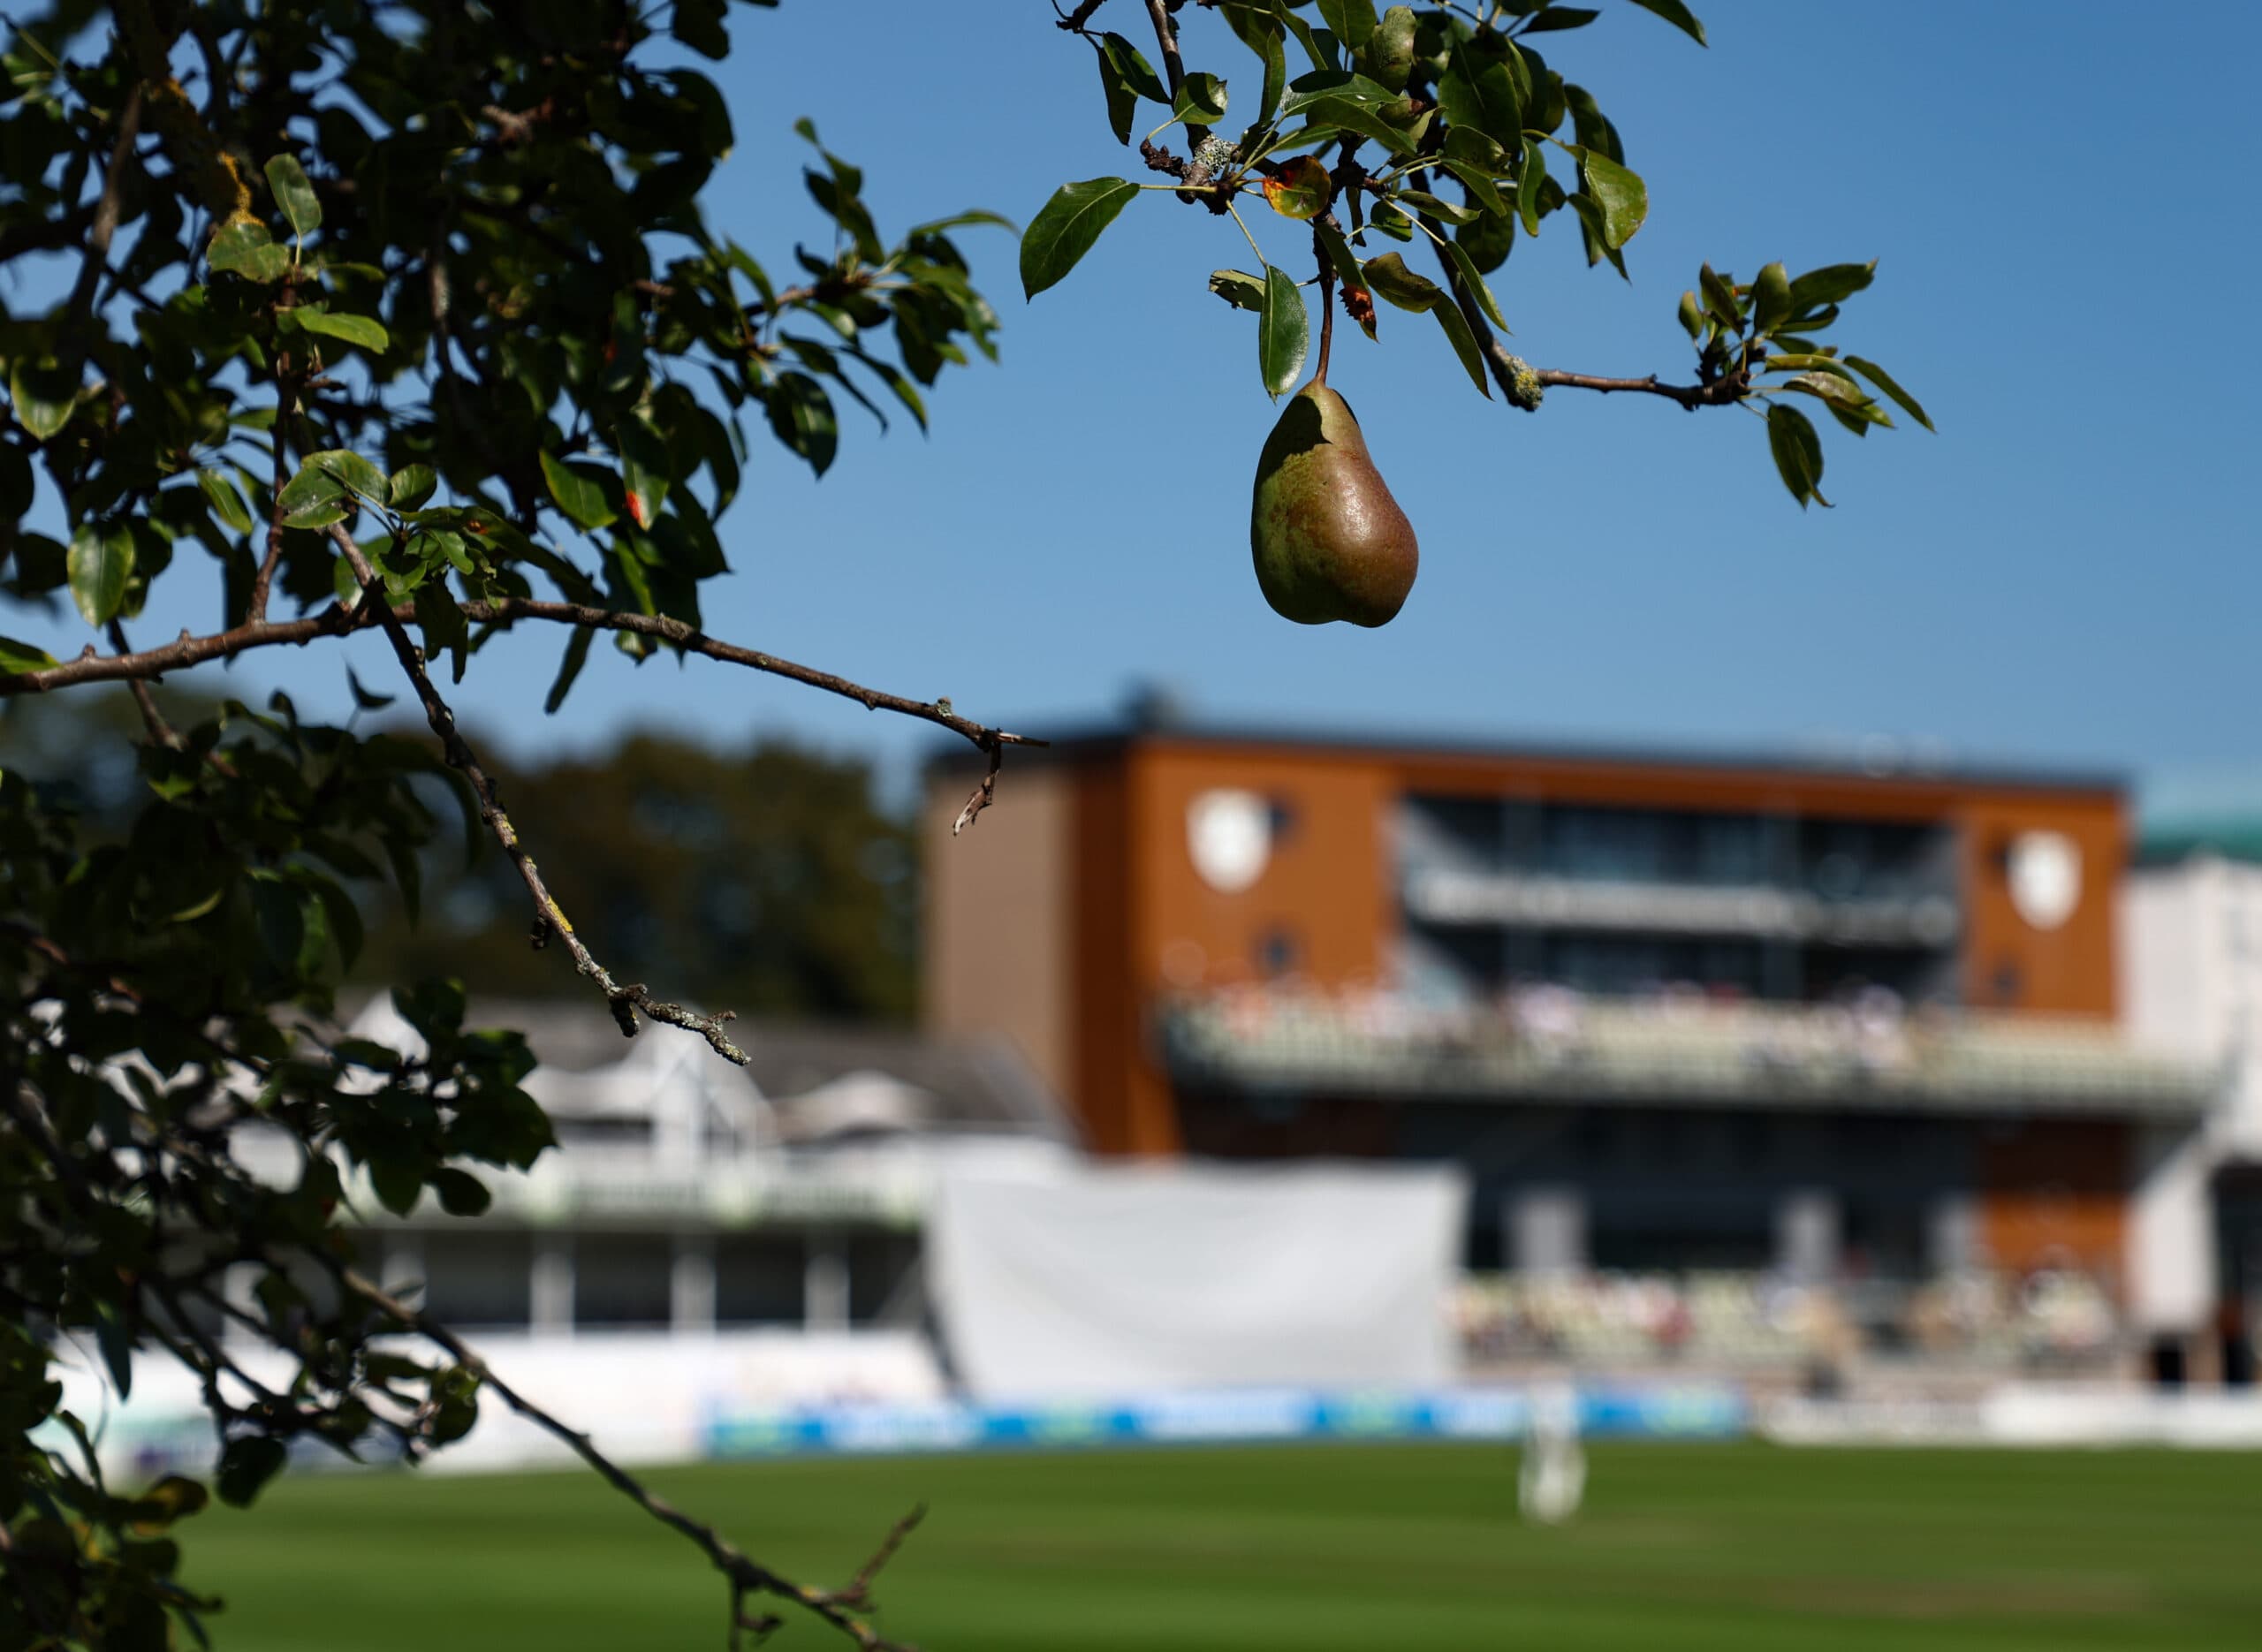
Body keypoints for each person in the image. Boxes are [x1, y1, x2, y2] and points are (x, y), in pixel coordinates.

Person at [1518, 1378, 1587, 1524]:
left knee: (1549, 1469)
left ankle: (1543, 1505)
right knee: (1551, 1470)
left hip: (1545, 1433)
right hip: (1554, 1433)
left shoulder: (1543, 1395)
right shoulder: (1561, 1394)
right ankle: (1548, 1507)